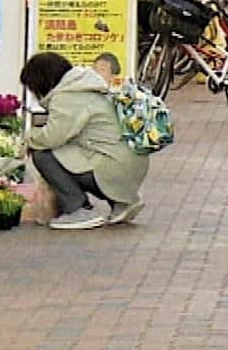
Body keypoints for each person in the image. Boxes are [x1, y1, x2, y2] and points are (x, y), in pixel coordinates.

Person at [20, 52, 148, 230]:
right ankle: (121, 201)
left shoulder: (68, 96)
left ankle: (78, 208)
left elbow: (52, 137)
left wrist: (27, 138)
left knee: (43, 155)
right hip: (129, 165)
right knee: (67, 149)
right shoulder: (84, 85)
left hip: (113, 167)